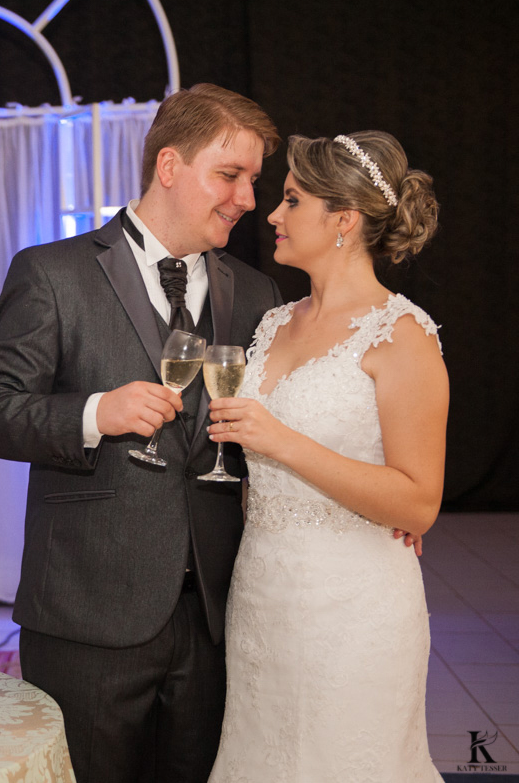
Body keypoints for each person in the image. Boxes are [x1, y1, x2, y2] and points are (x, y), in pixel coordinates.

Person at [0, 84, 283, 782]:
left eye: (253, 181)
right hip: (87, 617)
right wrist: (92, 413)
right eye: (229, 176)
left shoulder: (259, 295)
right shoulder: (52, 273)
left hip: (215, 620)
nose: (247, 199)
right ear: (169, 166)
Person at [205, 131, 445, 782]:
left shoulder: (402, 335)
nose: (273, 215)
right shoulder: (273, 323)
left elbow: (419, 503)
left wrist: (280, 442)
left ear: (343, 219)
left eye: (291, 200)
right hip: (262, 594)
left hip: (354, 606)